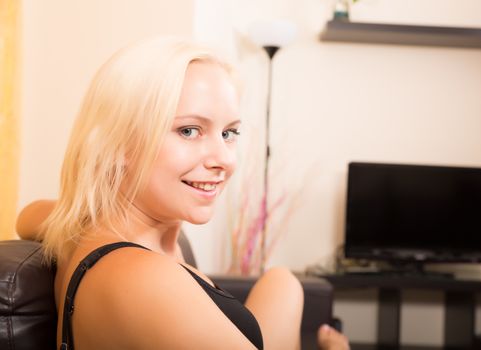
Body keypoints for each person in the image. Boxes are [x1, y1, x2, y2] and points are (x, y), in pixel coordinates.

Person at [17, 37, 350, 350]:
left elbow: (28, 216)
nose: (223, 159)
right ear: (117, 145)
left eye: (229, 132)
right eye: (189, 131)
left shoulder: (85, 227)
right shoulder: (141, 278)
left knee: (282, 282)